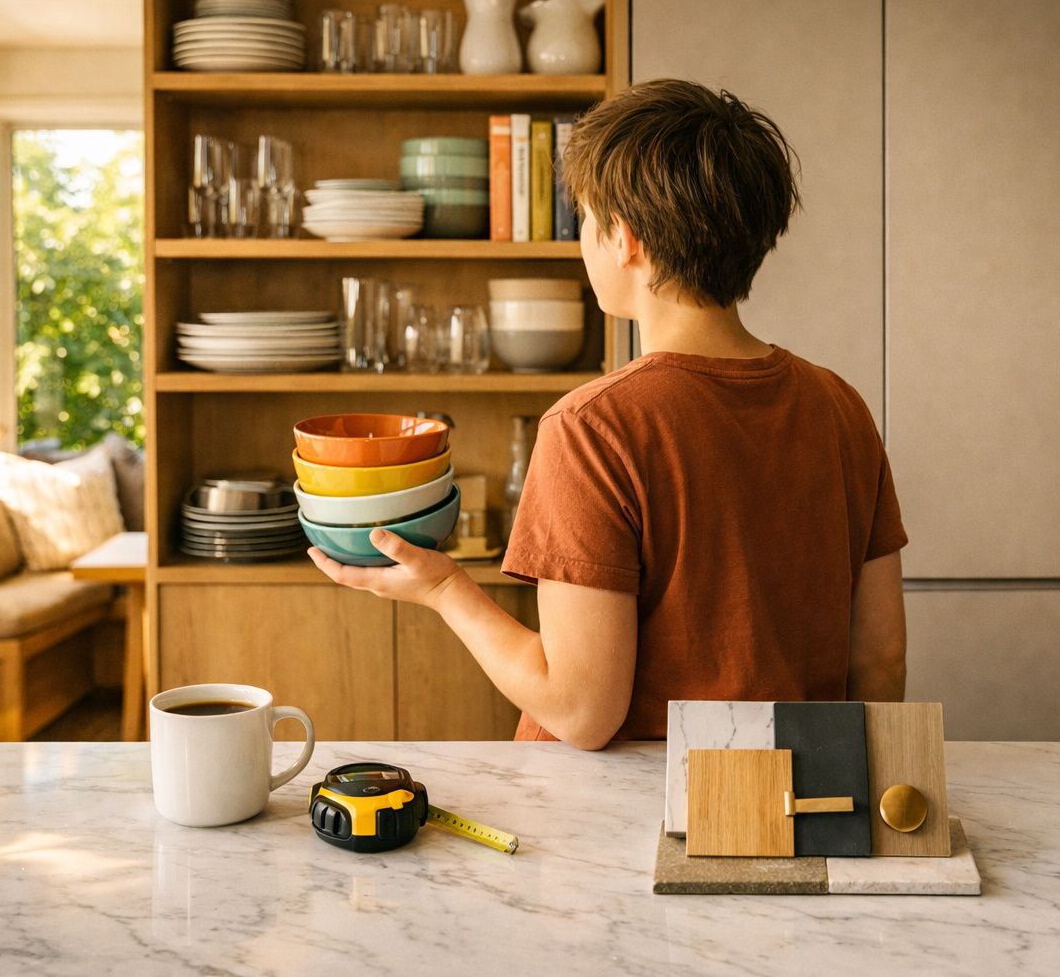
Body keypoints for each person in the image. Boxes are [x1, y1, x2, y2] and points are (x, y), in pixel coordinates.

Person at [309, 78, 909, 750]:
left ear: (625, 239)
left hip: (628, 818)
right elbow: (879, 662)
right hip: (788, 802)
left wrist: (446, 590)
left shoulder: (594, 426)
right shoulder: (839, 405)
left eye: (588, 221)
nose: (585, 242)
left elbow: (579, 711)